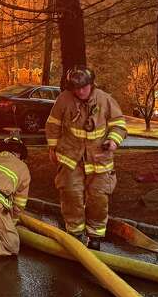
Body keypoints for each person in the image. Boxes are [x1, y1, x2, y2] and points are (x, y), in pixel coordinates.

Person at [45, 67, 127, 250]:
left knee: (98, 198)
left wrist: (113, 141)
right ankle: (74, 233)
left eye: (83, 87)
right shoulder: (64, 100)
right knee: (70, 194)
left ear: (91, 84)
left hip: (99, 159)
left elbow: (119, 124)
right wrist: (52, 147)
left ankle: (95, 237)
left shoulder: (105, 100)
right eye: (76, 88)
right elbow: (53, 124)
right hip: (70, 158)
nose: (80, 91)